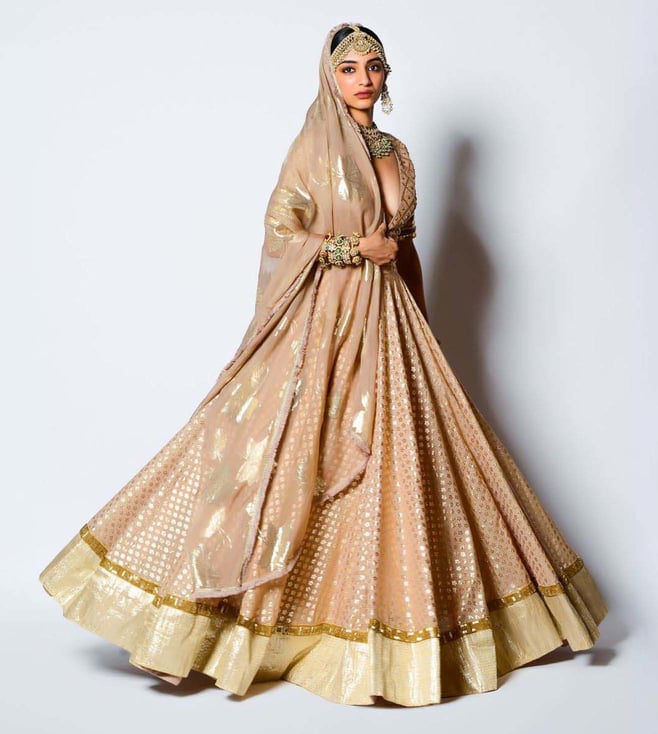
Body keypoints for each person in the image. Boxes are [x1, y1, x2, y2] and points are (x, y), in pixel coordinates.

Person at [38, 21, 608, 707]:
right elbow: (282, 232)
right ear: (329, 76)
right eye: (349, 68)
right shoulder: (314, 145)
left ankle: (382, 628)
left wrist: (420, 321)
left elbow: (403, 245)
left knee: (405, 457)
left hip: (390, 318)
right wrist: (350, 249)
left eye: (374, 66)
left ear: (387, 75)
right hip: (325, 320)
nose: (364, 79)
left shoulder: (397, 151)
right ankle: (217, 624)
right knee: (284, 446)